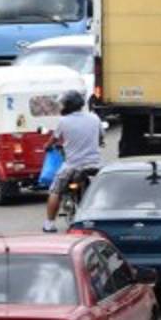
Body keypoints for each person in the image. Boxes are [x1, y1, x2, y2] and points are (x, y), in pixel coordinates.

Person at [42, 90, 103, 233]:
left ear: (68, 105)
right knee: (101, 190)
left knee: (55, 191)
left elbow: (53, 140)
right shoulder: (94, 118)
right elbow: (101, 137)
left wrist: (47, 146)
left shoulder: (63, 121)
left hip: (72, 166)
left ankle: (49, 224)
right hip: (95, 165)